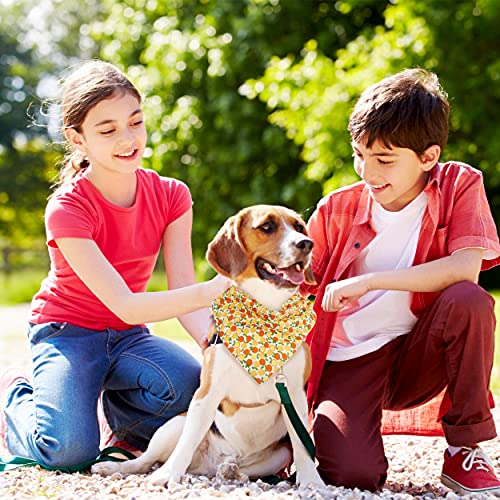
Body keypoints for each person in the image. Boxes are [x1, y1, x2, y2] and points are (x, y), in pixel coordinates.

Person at [0, 60, 230, 467]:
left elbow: (183, 291)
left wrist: (218, 346)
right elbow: (124, 302)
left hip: (128, 337)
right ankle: (14, 396)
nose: (127, 139)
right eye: (107, 130)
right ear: (77, 137)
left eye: (135, 123)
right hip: (67, 334)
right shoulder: (67, 208)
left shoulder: (173, 195)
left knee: (191, 385)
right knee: (69, 453)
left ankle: (122, 430)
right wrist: (216, 288)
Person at [302, 69, 500, 495]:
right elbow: (292, 289)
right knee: (352, 474)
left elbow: (466, 267)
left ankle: (464, 451)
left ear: (428, 158)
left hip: (419, 353)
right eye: (359, 155)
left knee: (471, 300)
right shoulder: (336, 209)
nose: (367, 172)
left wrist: (371, 281)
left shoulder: (460, 185)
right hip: (350, 358)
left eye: (384, 160)